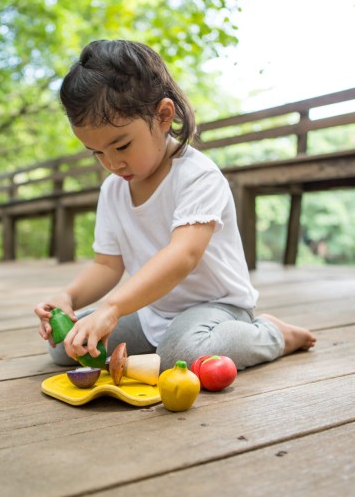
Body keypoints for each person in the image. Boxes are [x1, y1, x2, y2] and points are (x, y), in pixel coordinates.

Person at [34, 39, 316, 371]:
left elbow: (183, 256)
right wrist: (69, 298)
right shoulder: (113, 190)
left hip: (217, 308)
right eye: (96, 152)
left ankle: (272, 334)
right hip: (151, 309)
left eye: (121, 145)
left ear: (163, 116)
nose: (111, 163)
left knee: (180, 354)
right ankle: (155, 342)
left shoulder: (197, 176)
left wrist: (112, 307)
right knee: (68, 348)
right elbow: (107, 265)